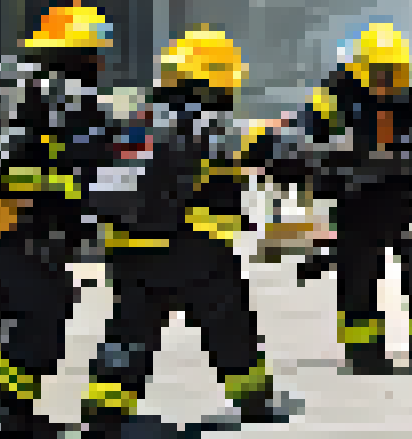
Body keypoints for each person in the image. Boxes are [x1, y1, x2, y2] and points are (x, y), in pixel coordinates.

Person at [80, 27, 291, 436]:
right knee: (229, 324)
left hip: (130, 247)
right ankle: (254, 401)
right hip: (195, 248)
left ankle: (106, 408)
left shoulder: (138, 118)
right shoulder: (206, 121)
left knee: (128, 331)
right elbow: (248, 150)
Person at [0, 1, 122, 436]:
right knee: (47, 308)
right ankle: (3, 404)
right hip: (23, 223)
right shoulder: (74, 97)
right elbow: (94, 166)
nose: (102, 64)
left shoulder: (2, 86)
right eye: (96, 54)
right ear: (80, 55)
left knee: (4, 312)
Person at [270, 20, 412, 373]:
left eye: (392, 73)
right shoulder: (332, 101)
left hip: (411, 201)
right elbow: (295, 140)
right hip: (356, 203)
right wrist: (324, 155)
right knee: (357, 281)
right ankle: (363, 353)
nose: (385, 81)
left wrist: (385, 156)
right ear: (359, 71)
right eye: (377, 73)